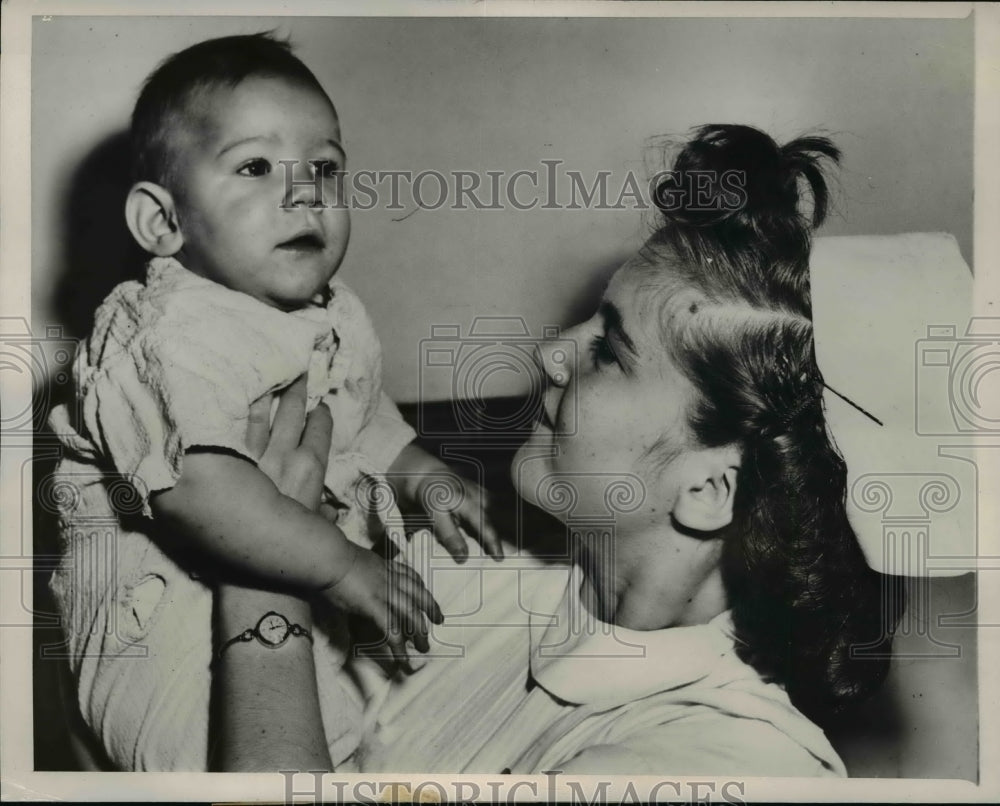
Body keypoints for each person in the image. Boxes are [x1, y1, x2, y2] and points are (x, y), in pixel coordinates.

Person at [213, 123, 904, 776]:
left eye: (609, 350)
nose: (550, 353)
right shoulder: (484, 578)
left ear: (709, 490)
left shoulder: (737, 760)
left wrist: (260, 563)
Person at [46, 33, 497, 771]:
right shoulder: (166, 330)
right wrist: (343, 568)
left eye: (324, 168)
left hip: (296, 571)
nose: (305, 192)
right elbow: (199, 492)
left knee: (334, 729)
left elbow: (357, 408)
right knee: (198, 755)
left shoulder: (331, 311)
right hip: (151, 611)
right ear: (163, 223)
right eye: (256, 166)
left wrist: (417, 470)